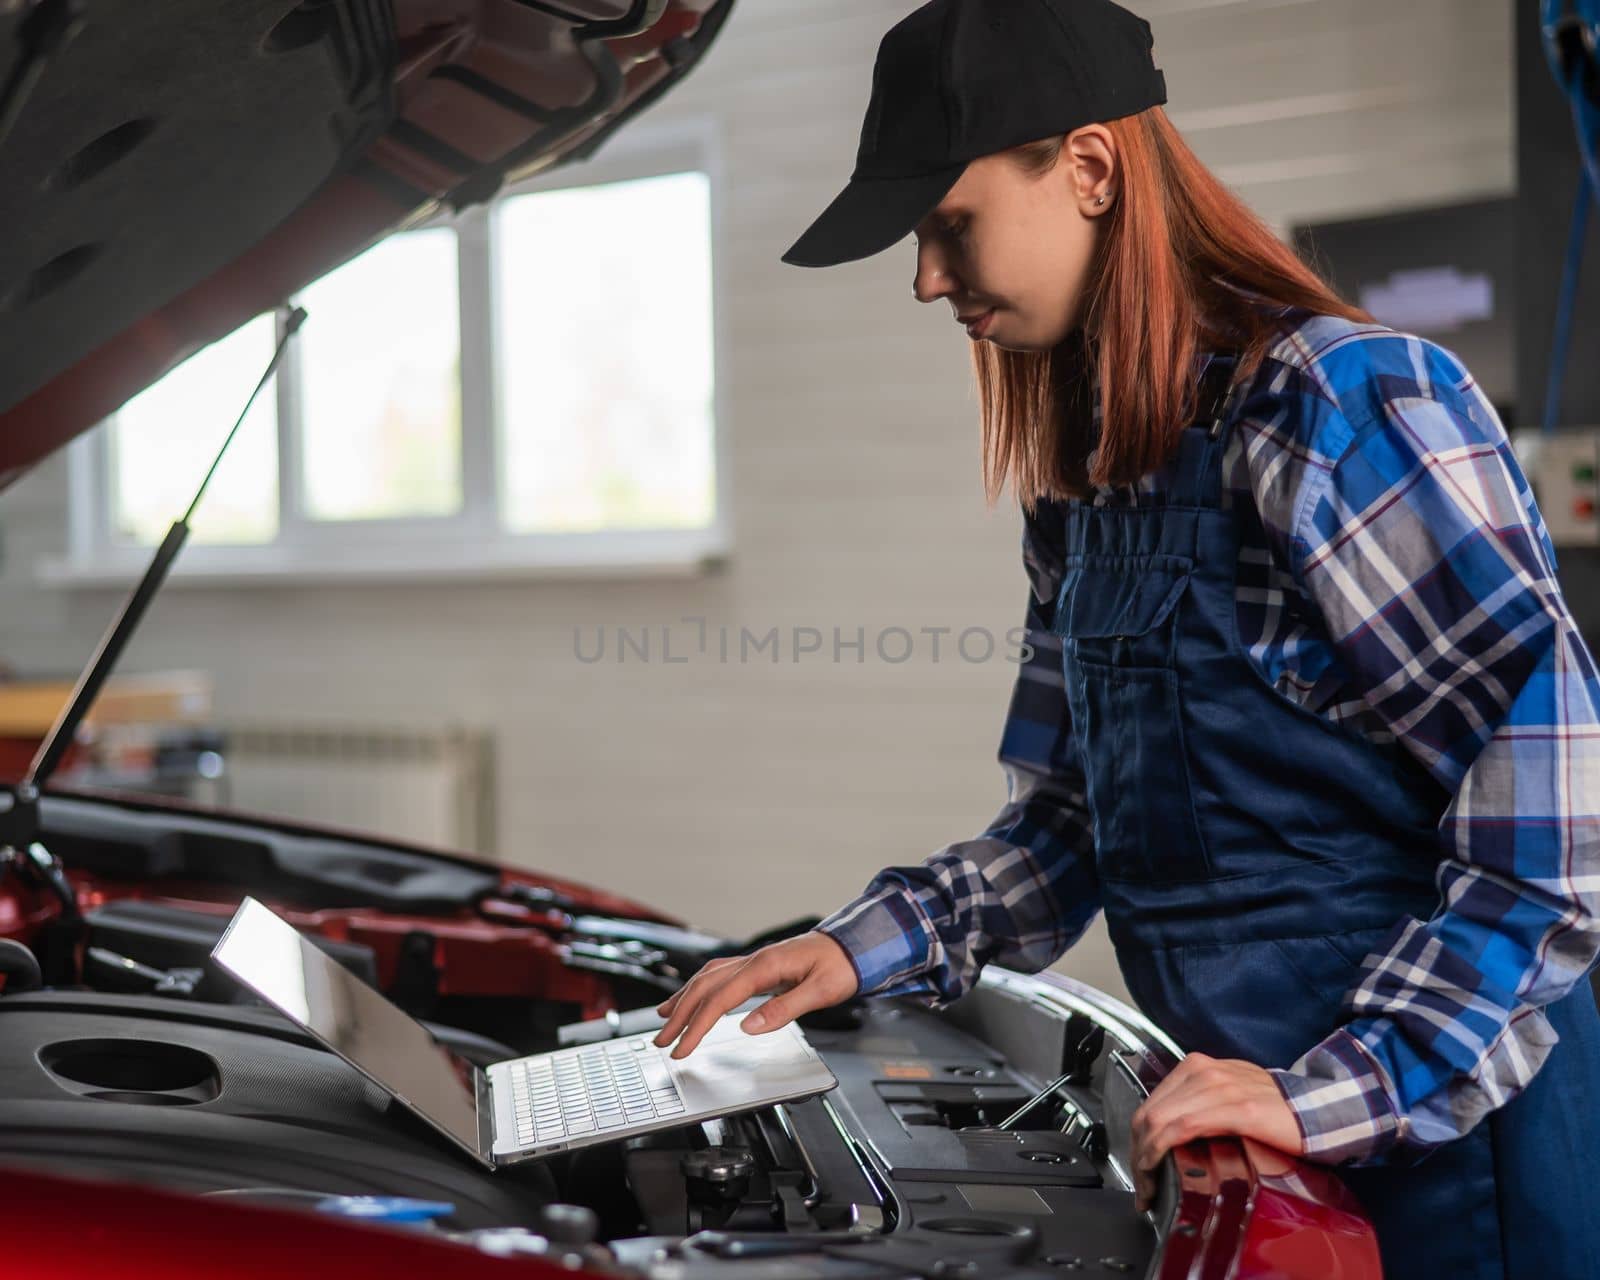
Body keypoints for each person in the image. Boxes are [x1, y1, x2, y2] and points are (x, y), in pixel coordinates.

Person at [651, 0, 1600, 1274]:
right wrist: (850, 945)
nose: (927, 277)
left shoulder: (1339, 403)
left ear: (1089, 168)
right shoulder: (1092, 477)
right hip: (1261, 1128)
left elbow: (1552, 782)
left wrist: (1347, 1083)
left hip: (1451, 1135)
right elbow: (1071, 827)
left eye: (949, 223)